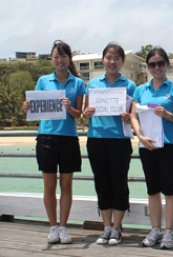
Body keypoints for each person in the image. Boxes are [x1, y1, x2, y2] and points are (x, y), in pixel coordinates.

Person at [22, 40, 85, 244]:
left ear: (69, 58)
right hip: (46, 137)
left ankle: (64, 227)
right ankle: (53, 227)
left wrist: (69, 108)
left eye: (63, 56)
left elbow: (79, 114)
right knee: (49, 186)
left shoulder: (78, 83)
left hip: (68, 138)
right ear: (52, 59)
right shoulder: (43, 81)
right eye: (56, 56)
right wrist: (27, 107)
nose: (60, 60)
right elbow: (35, 109)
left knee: (66, 185)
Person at [130, 47, 173, 249]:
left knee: (169, 189)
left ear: (166, 65)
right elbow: (134, 117)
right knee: (152, 189)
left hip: (169, 145)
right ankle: (155, 229)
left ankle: (169, 231)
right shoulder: (140, 90)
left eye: (160, 63)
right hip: (147, 145)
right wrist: (140, 136)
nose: (156, 67)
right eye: (152, 64)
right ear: (148, 67)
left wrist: (167, 115)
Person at [83, 42, 136, 245]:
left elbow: (135, 116)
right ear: (103, 59)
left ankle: (117, 228)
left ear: (122, 61)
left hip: (120, 141)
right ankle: (106, 227)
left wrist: (128, 117)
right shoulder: (93, 85)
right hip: (96, 139)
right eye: (108, 57)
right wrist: (85, 113)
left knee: (119, 183)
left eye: (116, 58)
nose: (112, 61)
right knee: (102, 184)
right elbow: (85, 113)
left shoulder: (130, 85)